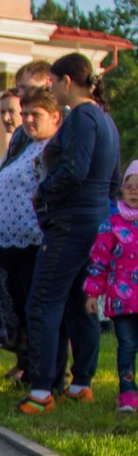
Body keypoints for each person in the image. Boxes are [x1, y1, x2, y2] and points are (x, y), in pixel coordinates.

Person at [20, 53, 122, 414]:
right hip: (94, 221)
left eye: (52, 81)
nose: (51, 88)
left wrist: (43, 193)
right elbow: (113, 181)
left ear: (66, 81)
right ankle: (81, 384)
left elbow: (74, 170)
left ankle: (41, 390)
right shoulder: (106, 119)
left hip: (69, 223)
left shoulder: (80, 117)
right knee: (80, 305)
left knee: (43, 302)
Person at [0, 88, 62, 383]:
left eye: (35, 115)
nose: (27, 120)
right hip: (9, 244)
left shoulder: (52, 148)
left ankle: (44, 375)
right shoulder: (23, 145)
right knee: (16, 308)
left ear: (54, 116)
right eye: (25, 114)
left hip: (33, 242)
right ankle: (27, 367)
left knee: (34, 309)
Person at [84, 160, 138, 413]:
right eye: (130, 186)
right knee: (127, 346)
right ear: (122, 189)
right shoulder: (112, 224)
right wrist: (93, 293)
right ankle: (127, 393)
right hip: (121, 301)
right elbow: (99, 261)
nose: (134, 191)